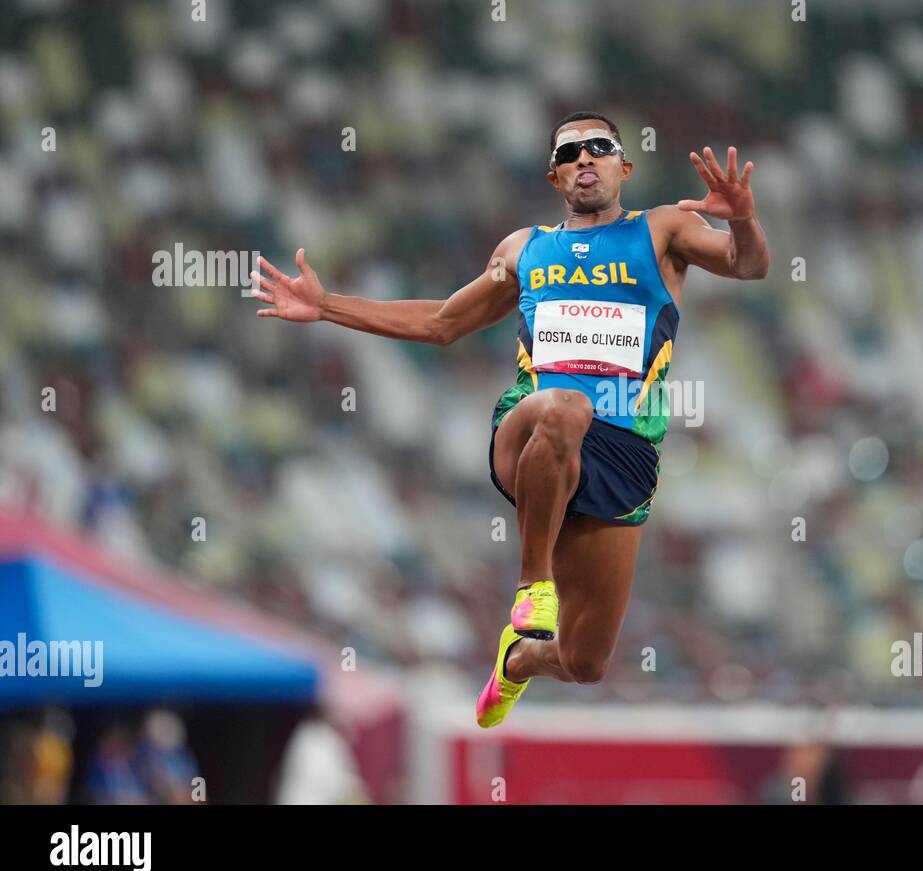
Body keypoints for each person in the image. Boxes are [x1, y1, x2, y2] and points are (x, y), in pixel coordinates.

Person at [251, 112, 769, 727]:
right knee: (565, 407)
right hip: (529, 431)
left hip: (625, 453)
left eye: (598, 148)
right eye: (569, 152)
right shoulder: (525, 249)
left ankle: (518, 661)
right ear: (554, 176)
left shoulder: (663, 231)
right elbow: (443, 322)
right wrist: (328, 305)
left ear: (622, 167)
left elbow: (748, 265)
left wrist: (741, 215)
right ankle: (532, 586)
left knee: (584, 661)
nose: (584, 159)